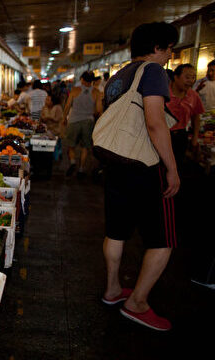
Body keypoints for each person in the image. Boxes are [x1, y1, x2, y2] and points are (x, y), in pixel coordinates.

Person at [99, 22, 179, 331]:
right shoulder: (153, 72)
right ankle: (138, 302)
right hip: (144, 166)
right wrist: (172, 168)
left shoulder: (118, 77)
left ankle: (113, 289)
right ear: (157, 47)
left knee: (115, 230)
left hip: (116, 163)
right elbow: (155, 122)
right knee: (163, 238)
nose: (170, 54)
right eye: (169, 48)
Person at [63, 71, 103, 177]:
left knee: (71, 145)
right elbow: (99, 110)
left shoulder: (75, 90)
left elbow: (67, 106)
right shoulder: (96, 92)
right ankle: (81, 169)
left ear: (82, 79)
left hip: (73, 120)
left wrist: (64, 118)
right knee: (85, 146)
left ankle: (72, 162)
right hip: (88, 122)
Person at [166, 64, 205, 166]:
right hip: (163, 135)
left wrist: (195, 138)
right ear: (176, 77)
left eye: (193, 77)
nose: (191, 81)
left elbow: (196, 117)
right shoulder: (163, 93)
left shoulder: (193, 96)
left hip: (181, 136)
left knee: (178, 165)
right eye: (187, 77)